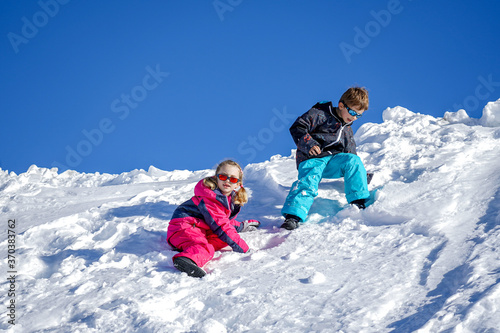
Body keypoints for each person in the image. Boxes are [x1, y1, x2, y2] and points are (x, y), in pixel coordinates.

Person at [280, 87, 370, 230]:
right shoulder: (320, 114)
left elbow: (350, 152)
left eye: (358, 115)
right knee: (310, 179)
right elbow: (298, 127)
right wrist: (309, 143)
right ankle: (293, 215)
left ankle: (358, 201)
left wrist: (360, 175)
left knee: (353, 160)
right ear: (341, 105)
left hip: (331, 162)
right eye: (352, 112)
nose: (354, 118)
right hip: (311, 157)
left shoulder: (347, 128)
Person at [167, 160, 260, 277]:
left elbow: (224, 221)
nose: (227, 180)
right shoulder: (211, 197)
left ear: (237, 184)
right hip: (184, 227)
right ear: (216, 178)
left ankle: (192, 248)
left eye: (233, 179)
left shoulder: (227, 199)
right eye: (223, 176)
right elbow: (221, 225)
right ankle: (187, 259)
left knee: (222, 240)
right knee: (205, 247)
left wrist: (241, 226)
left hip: (198, 227)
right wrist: (244, 248)